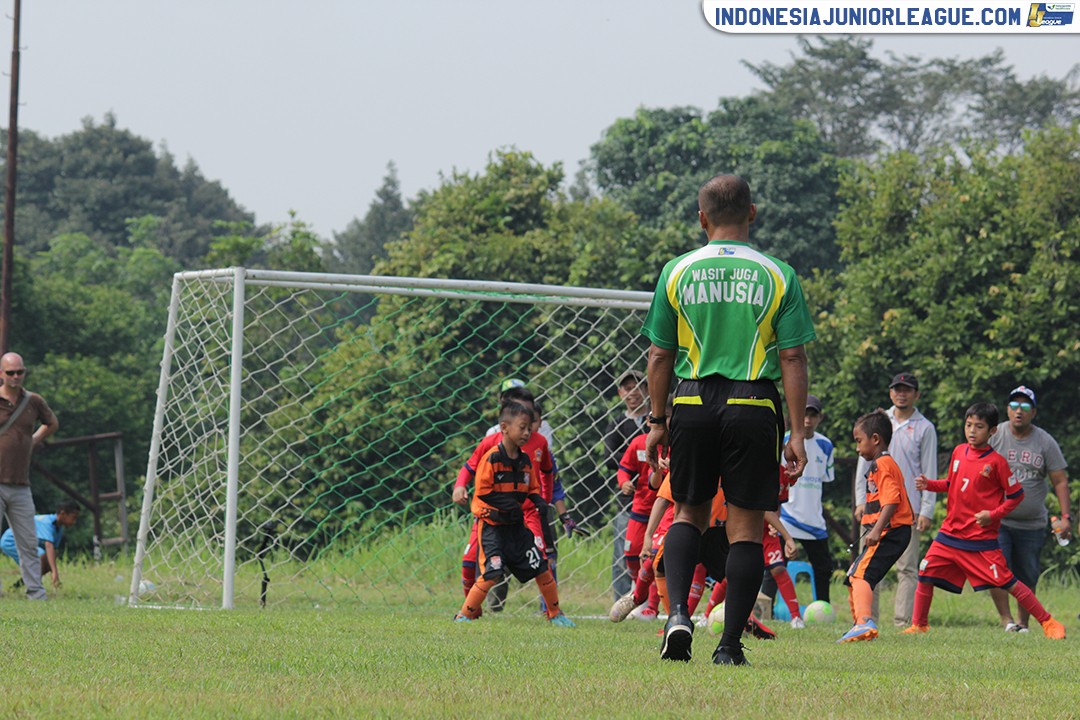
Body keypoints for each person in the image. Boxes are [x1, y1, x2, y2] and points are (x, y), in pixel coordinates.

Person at [641, 174, 815, 666]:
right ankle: (729, 645)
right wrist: (798, 433)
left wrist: (658, 421)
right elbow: (794, 358)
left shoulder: (677, 271)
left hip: (692, 400)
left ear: (702, 218)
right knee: (744, 530)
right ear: (752, 213)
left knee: (688, 514)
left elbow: (658, 355)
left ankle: (677, 616)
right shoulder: (779, 274)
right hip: (754, 403)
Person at [903, 402, 1065, 639]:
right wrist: (930, 484)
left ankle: (1048, 622)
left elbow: (1016, 495)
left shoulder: (997, 462)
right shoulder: (959, 452)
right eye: (968, 425)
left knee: (1008, 582)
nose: (971, 431)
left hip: (980, 540)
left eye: (979, 426)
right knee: (925, 570)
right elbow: (951, 484)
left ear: (992, 431)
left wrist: (993, 515)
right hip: (950, 534)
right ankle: (919, 625)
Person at [454, 402, 574, 627]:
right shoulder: (492, 458)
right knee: (493, 571)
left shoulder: (525, 460)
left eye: (530, 428)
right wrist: (511, 505)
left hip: (517, 527)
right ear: (504, 428)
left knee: (541, 566)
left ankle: (555, 614)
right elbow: (483, 493)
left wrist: (538, 501)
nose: (527, 432)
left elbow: (532, 488)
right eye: (522, 427)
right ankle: (465, 614)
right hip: (493, 527)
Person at [854, 372, 937, 628]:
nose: (901, 393)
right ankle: (867, 619)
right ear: (891, 393)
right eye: (897, 389)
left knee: (907, 569)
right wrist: (860, 499)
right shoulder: (878, 421)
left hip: (904, 512)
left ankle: (903, 622)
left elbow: (929, 469)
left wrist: (927, 509)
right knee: (868, 569)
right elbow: (863, 467)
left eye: (907, 389)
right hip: (873, 510)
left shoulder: (924, 427)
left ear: (916, 395)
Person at [987, 385, 1071, 632]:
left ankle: (1023, 623)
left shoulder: (1045, 441)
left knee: (1028, 574)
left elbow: (1060, 480)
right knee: (997, 570)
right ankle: (1006, 620)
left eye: (1024, 407)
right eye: (1014, 406)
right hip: (997, 520)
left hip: (1032, 522)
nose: (1018, 412)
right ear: (1007, 410)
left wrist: (1065, 517)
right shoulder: (995, 435)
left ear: (1033, 412)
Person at [840, 410, 914, 643]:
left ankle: (864, 623)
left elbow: (892, 500)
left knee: (861, 574)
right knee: (855, 575)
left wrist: (875, 530)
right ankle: (859, 625)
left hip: (891, 531)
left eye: (858, 441)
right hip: (890, 531)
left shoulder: (882, 464)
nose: (857, 448)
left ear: (875, 439)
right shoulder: (880, 464)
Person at [0, 352, 59, 601]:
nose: (15, 377)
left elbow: (52, 422)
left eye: (19, 372)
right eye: (10, 372)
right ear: (1, 374)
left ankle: (35, 592)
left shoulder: (33, 401)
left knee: (28, 541)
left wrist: (34, 439)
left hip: (21, 485)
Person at [779, 394, 835, 603]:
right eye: (804, 414)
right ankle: (767, 611)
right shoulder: (783, 440)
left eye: (813, 415)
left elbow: (826, 480)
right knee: (775, 568)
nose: (808, 420)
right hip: (786, 517)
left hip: (814, 520)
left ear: (820, 418)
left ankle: (824, 608)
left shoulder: (826, 445)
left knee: (823, 569)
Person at [600, 369, 650, 600]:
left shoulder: (655, 422)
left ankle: (652, 600)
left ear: (648, 390)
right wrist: (637, 455)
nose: (633, 393)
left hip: (657, 498)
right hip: (627, 500)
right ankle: (621, 599)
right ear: (620, 393)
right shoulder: (618, 423)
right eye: (628, 388)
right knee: (623, 553)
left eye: (638, 387)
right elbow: (609, 458)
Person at [1, 501, 80, 590]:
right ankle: (35, 587)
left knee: (44, 564)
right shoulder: (47, 523)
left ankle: (17, 587)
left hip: (25, 542)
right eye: (73, 518)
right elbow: (49, 546)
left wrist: (51, 570)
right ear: (63, 514)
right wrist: (54, 572)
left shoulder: (59, 528)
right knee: (40, 557)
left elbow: (54, 551)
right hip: (11, 540)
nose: (74, 522)